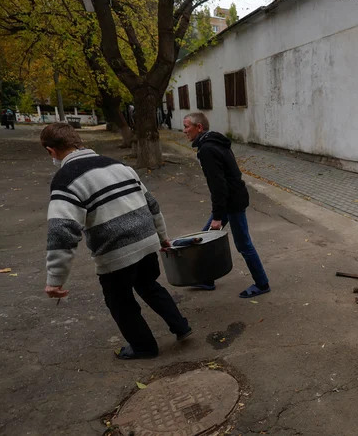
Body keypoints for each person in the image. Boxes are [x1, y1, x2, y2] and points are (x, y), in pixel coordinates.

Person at [41, 122, 191, 360]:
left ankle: (144, 347)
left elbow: (62, 231)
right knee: (149, 286)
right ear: (77, 141)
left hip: (116, 252)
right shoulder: (118, 165)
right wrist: (162, 238)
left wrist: (55, 279)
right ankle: (181, 326)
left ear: (51, 150)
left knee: (120, 303)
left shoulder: (66, 179)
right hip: (146, 241)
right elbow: (152, 204)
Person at [182, 112, 271, 298]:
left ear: (199, 127)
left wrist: (217, 216)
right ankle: (206, 279)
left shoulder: (207, 149)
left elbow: (218, 186)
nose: (184, 131)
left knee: (243, 244)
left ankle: (262, 284)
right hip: (231, 199)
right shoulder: (215, 143)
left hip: (232, 202)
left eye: (187, 126)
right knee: (205, 240)